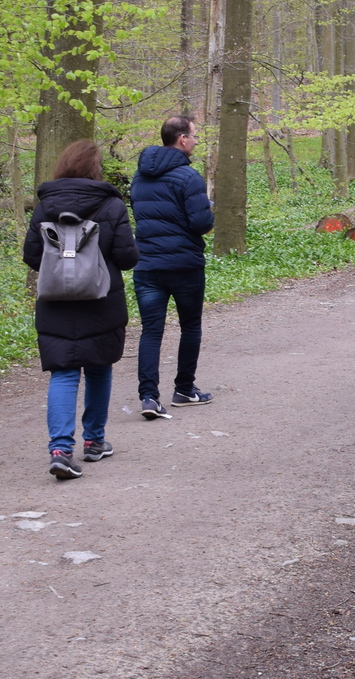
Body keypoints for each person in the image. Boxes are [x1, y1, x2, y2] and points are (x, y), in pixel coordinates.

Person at [23, 139, 139, 481]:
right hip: (102, 301)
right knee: (99, 368)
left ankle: (60, 450)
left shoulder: (45, 205)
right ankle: (94, 441)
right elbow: (127, 258)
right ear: (95, 168)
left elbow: (31, 255)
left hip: (55, 303)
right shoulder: (111, 204)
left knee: (64, 372)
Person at [130, 115, 216, 419]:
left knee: (151, 331)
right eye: (194, 136)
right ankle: (184, 389)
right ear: (182, 139)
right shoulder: (188, 177)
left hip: (147, 264)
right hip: (184, 264)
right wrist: (208, 211)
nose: (196, 141)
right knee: (190, 326)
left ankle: (148, 398)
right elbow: (202, 224)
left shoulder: (139, 177)